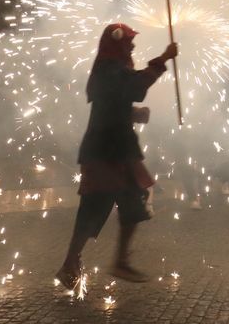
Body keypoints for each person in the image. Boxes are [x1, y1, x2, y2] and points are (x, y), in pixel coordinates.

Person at [55, 24, 178, 290]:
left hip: (118, 149)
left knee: (133, 199)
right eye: (129, 42)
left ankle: (113, 260)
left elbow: (113, 105)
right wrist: (163, 59)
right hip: (106, 151)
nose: (132, 46)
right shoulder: (108, 68)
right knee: (94, 207)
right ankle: (72, 261)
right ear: (117, 44)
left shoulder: (113, 68)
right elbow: (133, 88)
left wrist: (134, 115)